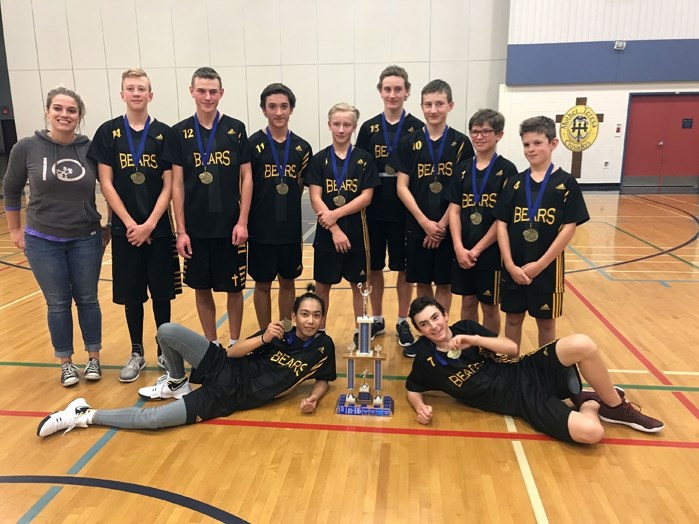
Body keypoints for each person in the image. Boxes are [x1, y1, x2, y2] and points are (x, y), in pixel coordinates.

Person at [37, 285, 336, 437]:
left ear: (322, 318)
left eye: (316, 315)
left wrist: (313, 397)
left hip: (229, 396)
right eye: (305, 314)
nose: (310, 320)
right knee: (166, 331)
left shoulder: (323, 347)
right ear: (294, 315)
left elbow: (324, 378)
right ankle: (177, 382)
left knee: (153, 421)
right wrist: (262, 338)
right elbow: (232, 352)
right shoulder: (278, 330)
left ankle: (84, 415)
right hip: (225, 364)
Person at [404, 296, 664, 443]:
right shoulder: (426, 359)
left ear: (445, 314)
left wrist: (476, 340)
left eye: (435, 317)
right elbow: (412, 388)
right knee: (592, 434)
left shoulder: (467, 328)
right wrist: (420, 407)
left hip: (524, 370)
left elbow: (511, 349)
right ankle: (590, 403)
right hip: (521, 400)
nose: (433, 326)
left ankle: (616, 407)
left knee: (582, 344)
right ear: (420, 331)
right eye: (424, 324)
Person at [3, 86, 108, 387]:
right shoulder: (26, 148)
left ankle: (93, 358)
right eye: (58, 109)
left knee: (88, 299)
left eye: (71, 110)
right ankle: (65, 362)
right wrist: (14, 228)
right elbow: (11, 189)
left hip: (85, 237)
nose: (65, 115)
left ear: (79, 116)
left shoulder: (91, 149)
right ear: (48, 112)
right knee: (58, 302)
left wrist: (110, 226)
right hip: (42, 239)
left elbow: (111, 188)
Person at [88, 68, 181, 382]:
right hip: (124, 230)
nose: (137, 93)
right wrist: (130, 223)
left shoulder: (164, 133)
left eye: (142, 88)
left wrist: (150, 223)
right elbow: (106, 182)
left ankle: (164, 350)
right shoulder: (108, 132)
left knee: (162, 293)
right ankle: (137, 352)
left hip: (159, 228)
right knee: (132, 294)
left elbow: (169, 185)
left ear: (150, 95)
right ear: (122, 94)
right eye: (131, 88)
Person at [165, 67, 252, 347]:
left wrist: (242, 222)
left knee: (234, 289)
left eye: (213, 91)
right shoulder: (179, 133)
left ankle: (235, 343)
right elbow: (176, 185)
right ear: (191, 91)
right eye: (201, 90)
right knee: (201, 289)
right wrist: (181, 231)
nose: (207, 96)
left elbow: (247, 177)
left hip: (229, 228)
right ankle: (212, 346)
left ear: (221, 93)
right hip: (195, 228)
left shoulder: (235, 128)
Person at [493, 116, 589, 348]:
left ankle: (545, 375)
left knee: (546, 324)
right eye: (526, 144)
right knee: (513, 319)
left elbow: (568, 228)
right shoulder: (514, 183)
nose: (531, 149)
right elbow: (501, 224)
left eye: (537, 143)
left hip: (547, 269)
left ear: (553, 144)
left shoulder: (566, 183)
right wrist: (508, 263)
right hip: (514, 266)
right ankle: (510, 371)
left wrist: (541, 264)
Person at [395, 79, 474, 354]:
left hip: (448, 225)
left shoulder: (461, 143)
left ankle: (444, 337)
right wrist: (424, 222)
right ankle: (427, 338)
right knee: (421, 282)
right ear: (421, 106)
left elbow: (463, 190)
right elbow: (401, 186)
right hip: (418, 225)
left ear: (450, 106)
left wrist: (440, 224)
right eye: (428, 104)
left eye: (439, 104)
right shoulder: (409, 141)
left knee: (444, 282)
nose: (433, 110)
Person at [356, 65, 423, 349]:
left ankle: (401, 320)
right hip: (373, 209)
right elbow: (358, 166)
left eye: (398, 89)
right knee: (374, 268)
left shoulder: (417, 128)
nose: (392, 94)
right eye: (387, 89)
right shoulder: (369, 128)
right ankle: (378, 318)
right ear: (380, 91)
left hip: (405, 208)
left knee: (403, 269)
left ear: (407, 91)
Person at [306, 103, 380, 344]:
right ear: (329, 125)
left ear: (354, 127)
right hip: (327, 235)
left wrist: (335, 215)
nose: (341, 129)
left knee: (360, 286)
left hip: (358, 235)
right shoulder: (319, 160)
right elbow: (316, 197)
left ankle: (363, 335)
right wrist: (334, 228)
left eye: (346, 124)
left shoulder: (364, 159)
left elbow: (366, 197)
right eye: (336, 124)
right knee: (322, 287)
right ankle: (318, 335)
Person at [447, 109, 518, 334]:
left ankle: (489, 353)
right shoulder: (462, 169)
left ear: (499, 135)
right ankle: (468, 350)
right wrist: (458, 247)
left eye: (486, 131)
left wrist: (476, 249)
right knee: (467, 302)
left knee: (489, 306)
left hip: (491, 252)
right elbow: (454, 211)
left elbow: (502, 219)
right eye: (475, 132)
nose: (479, 137)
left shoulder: (507, 170)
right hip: (462, 249)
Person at [248, 83, 312, 329]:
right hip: (260, 228)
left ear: (291, 109)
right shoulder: (252, 145)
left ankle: (285, 329)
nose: (278, 112)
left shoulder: (302, 148)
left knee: (288, 281)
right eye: (272, 106)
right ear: (264, 110)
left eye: (283, 106)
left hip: (289, 229)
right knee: (262, 283)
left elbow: (306, 186)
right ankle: (266, 334)